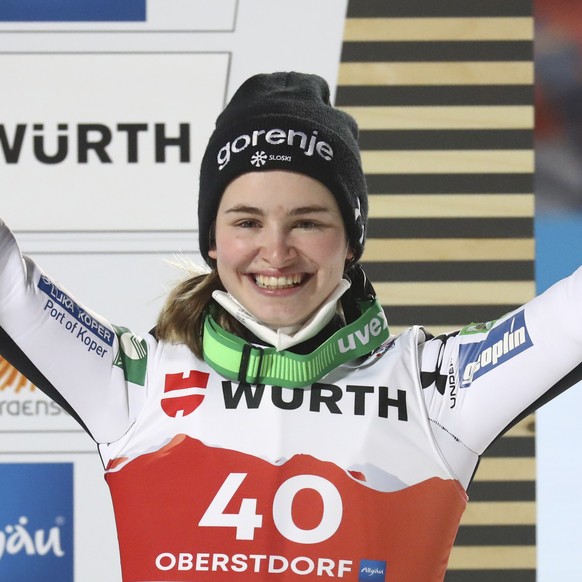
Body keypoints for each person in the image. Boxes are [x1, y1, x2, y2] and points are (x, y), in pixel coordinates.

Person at [1, 71, 581, 582]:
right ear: (211, 239)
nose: (275, 252)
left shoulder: (438, 388)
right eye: (247, 221)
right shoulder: (134, 382)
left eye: (307, 222)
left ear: (351, 240)